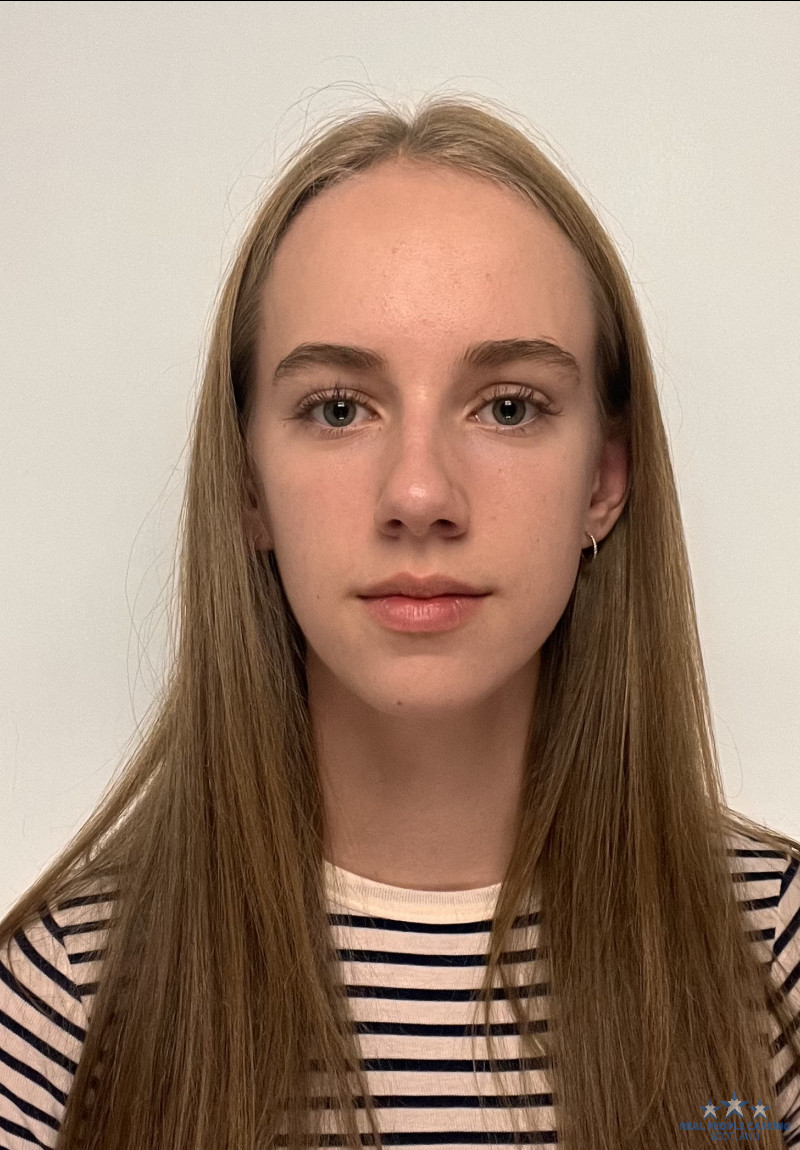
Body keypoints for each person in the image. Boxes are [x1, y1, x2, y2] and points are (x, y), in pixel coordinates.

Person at [1, 93, 798, 1150]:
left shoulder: (774, 966)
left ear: (604, 481)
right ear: (248, 486)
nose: (419, 494)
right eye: (338, 408)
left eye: (507, 406)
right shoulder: (64, 998)